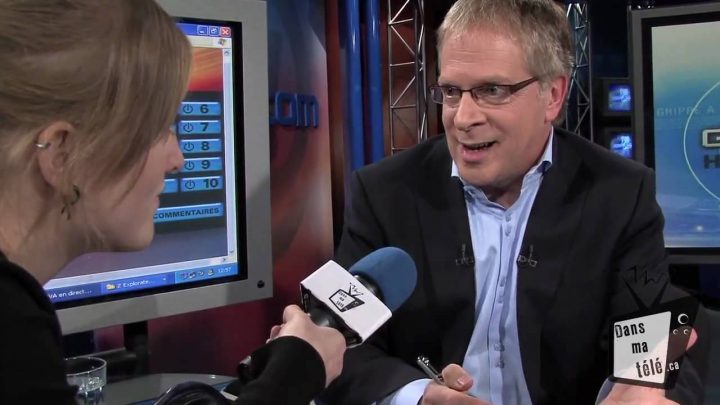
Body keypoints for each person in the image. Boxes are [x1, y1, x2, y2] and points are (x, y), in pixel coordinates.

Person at [319, 0, 706, 404]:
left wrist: (643, 384)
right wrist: (421, 395)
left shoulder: (619, 193)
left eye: (492, 91)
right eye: (451, 92)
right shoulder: (384, 193)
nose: (463, 118)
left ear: (553, 95)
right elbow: (336, 343)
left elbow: (652, 323)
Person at [0, 1, 344, 404]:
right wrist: (293, 377)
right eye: (160, 129)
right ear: (62, 153)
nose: (178, 158)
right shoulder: (11, 327)